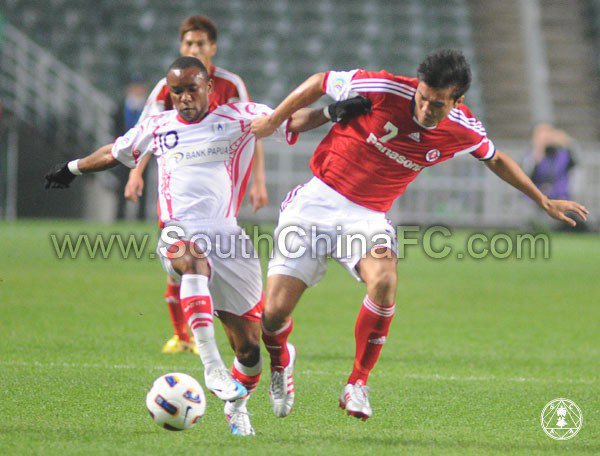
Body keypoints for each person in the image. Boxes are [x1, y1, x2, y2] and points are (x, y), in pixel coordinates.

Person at [250, 49, 589, 420]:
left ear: (457, 101)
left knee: (384, 281)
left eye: (437, 104)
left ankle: (357, 383)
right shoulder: (384, 89)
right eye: (423, 97)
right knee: (273, 314)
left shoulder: (462, 127)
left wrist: (542, 200)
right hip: (317, 200)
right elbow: (319, 82)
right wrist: (273, 121)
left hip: (368, 216)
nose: (425, 108)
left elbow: (495, 158)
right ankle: (282, 361)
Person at [45, 57, 372, 435]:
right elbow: (113, 152)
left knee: (250, 349)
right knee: (191, 261)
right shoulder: (157, 126)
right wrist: (71, 169)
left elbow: (289, 120)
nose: (184, 97)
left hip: (228, 238)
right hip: (179, 231)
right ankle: (215, 373)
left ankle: (268, 375)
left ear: (208, 88)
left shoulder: (235, 116)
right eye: (177, 91)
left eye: (191, 89)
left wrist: (332, 112)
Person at [124, 15, 269, 355]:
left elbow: (256, 128)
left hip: (221, 187)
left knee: (206, 258)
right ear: (181, 46)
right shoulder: (167, 85)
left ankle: (227, 324)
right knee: (182, 253)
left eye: (200, 44)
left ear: (212, 47)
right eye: (189, 44)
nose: (194, 48)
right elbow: (146, 132)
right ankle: (183, 335)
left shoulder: (231, 84)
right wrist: (135, 172)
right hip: (180, 184)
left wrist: (257, 181)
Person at [113, 76, 148, 220]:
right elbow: (115, 127)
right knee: (121, 184)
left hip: (143, 153)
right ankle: (119, 216)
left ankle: (141, 216)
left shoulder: (148, 108)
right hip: (124, 152)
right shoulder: (121, 107)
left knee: (142, 185)